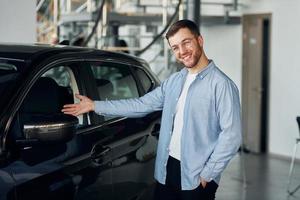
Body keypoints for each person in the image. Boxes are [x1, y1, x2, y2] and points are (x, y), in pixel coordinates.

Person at [62, 19, 242, 200]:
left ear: (200, 40)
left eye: (186, 42)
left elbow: (232, 136)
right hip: (167, 169)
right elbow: (141, 104)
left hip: (197, 175)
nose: (182, 51)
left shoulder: (222, 85)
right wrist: (95, 105)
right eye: (175, 48)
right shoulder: (175, 81)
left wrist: (208, 174)